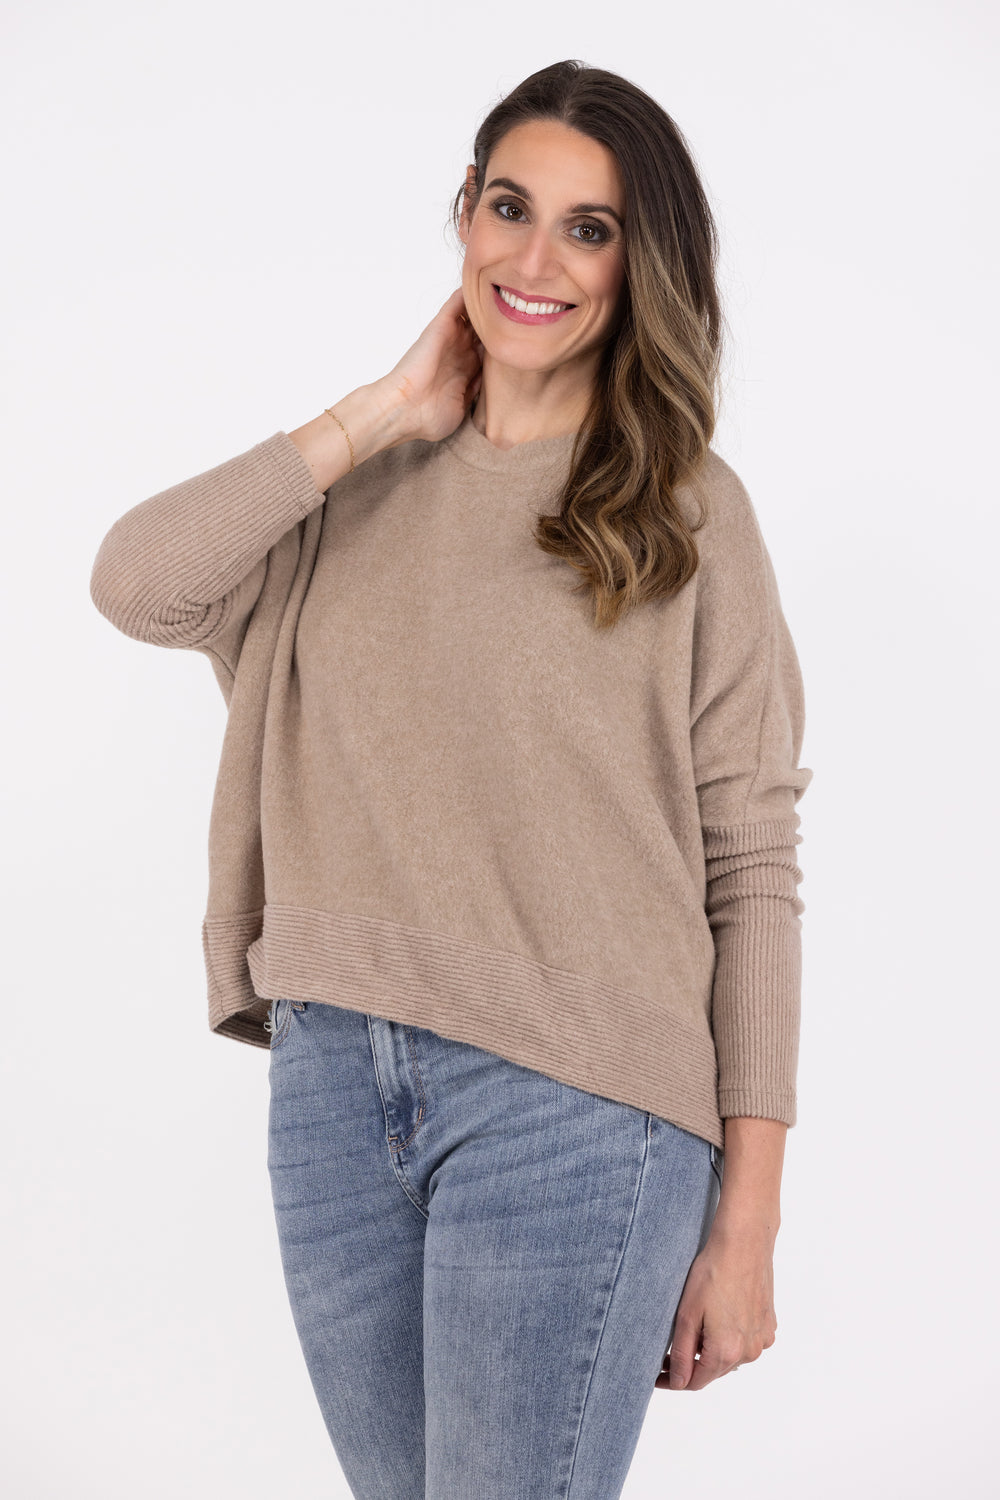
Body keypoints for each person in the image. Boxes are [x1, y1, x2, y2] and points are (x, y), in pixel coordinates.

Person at [90, 58, 813, 1500]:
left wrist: (749, 1227)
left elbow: (751, 865)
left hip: (580, 1107)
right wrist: (374, 414)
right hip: (332, 1092)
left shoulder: (686, 515)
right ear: (466, 213)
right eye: (510, 208)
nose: (536, 261)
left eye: (590, 229)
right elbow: (136, 584)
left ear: (642, 263)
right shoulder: (341, 497)